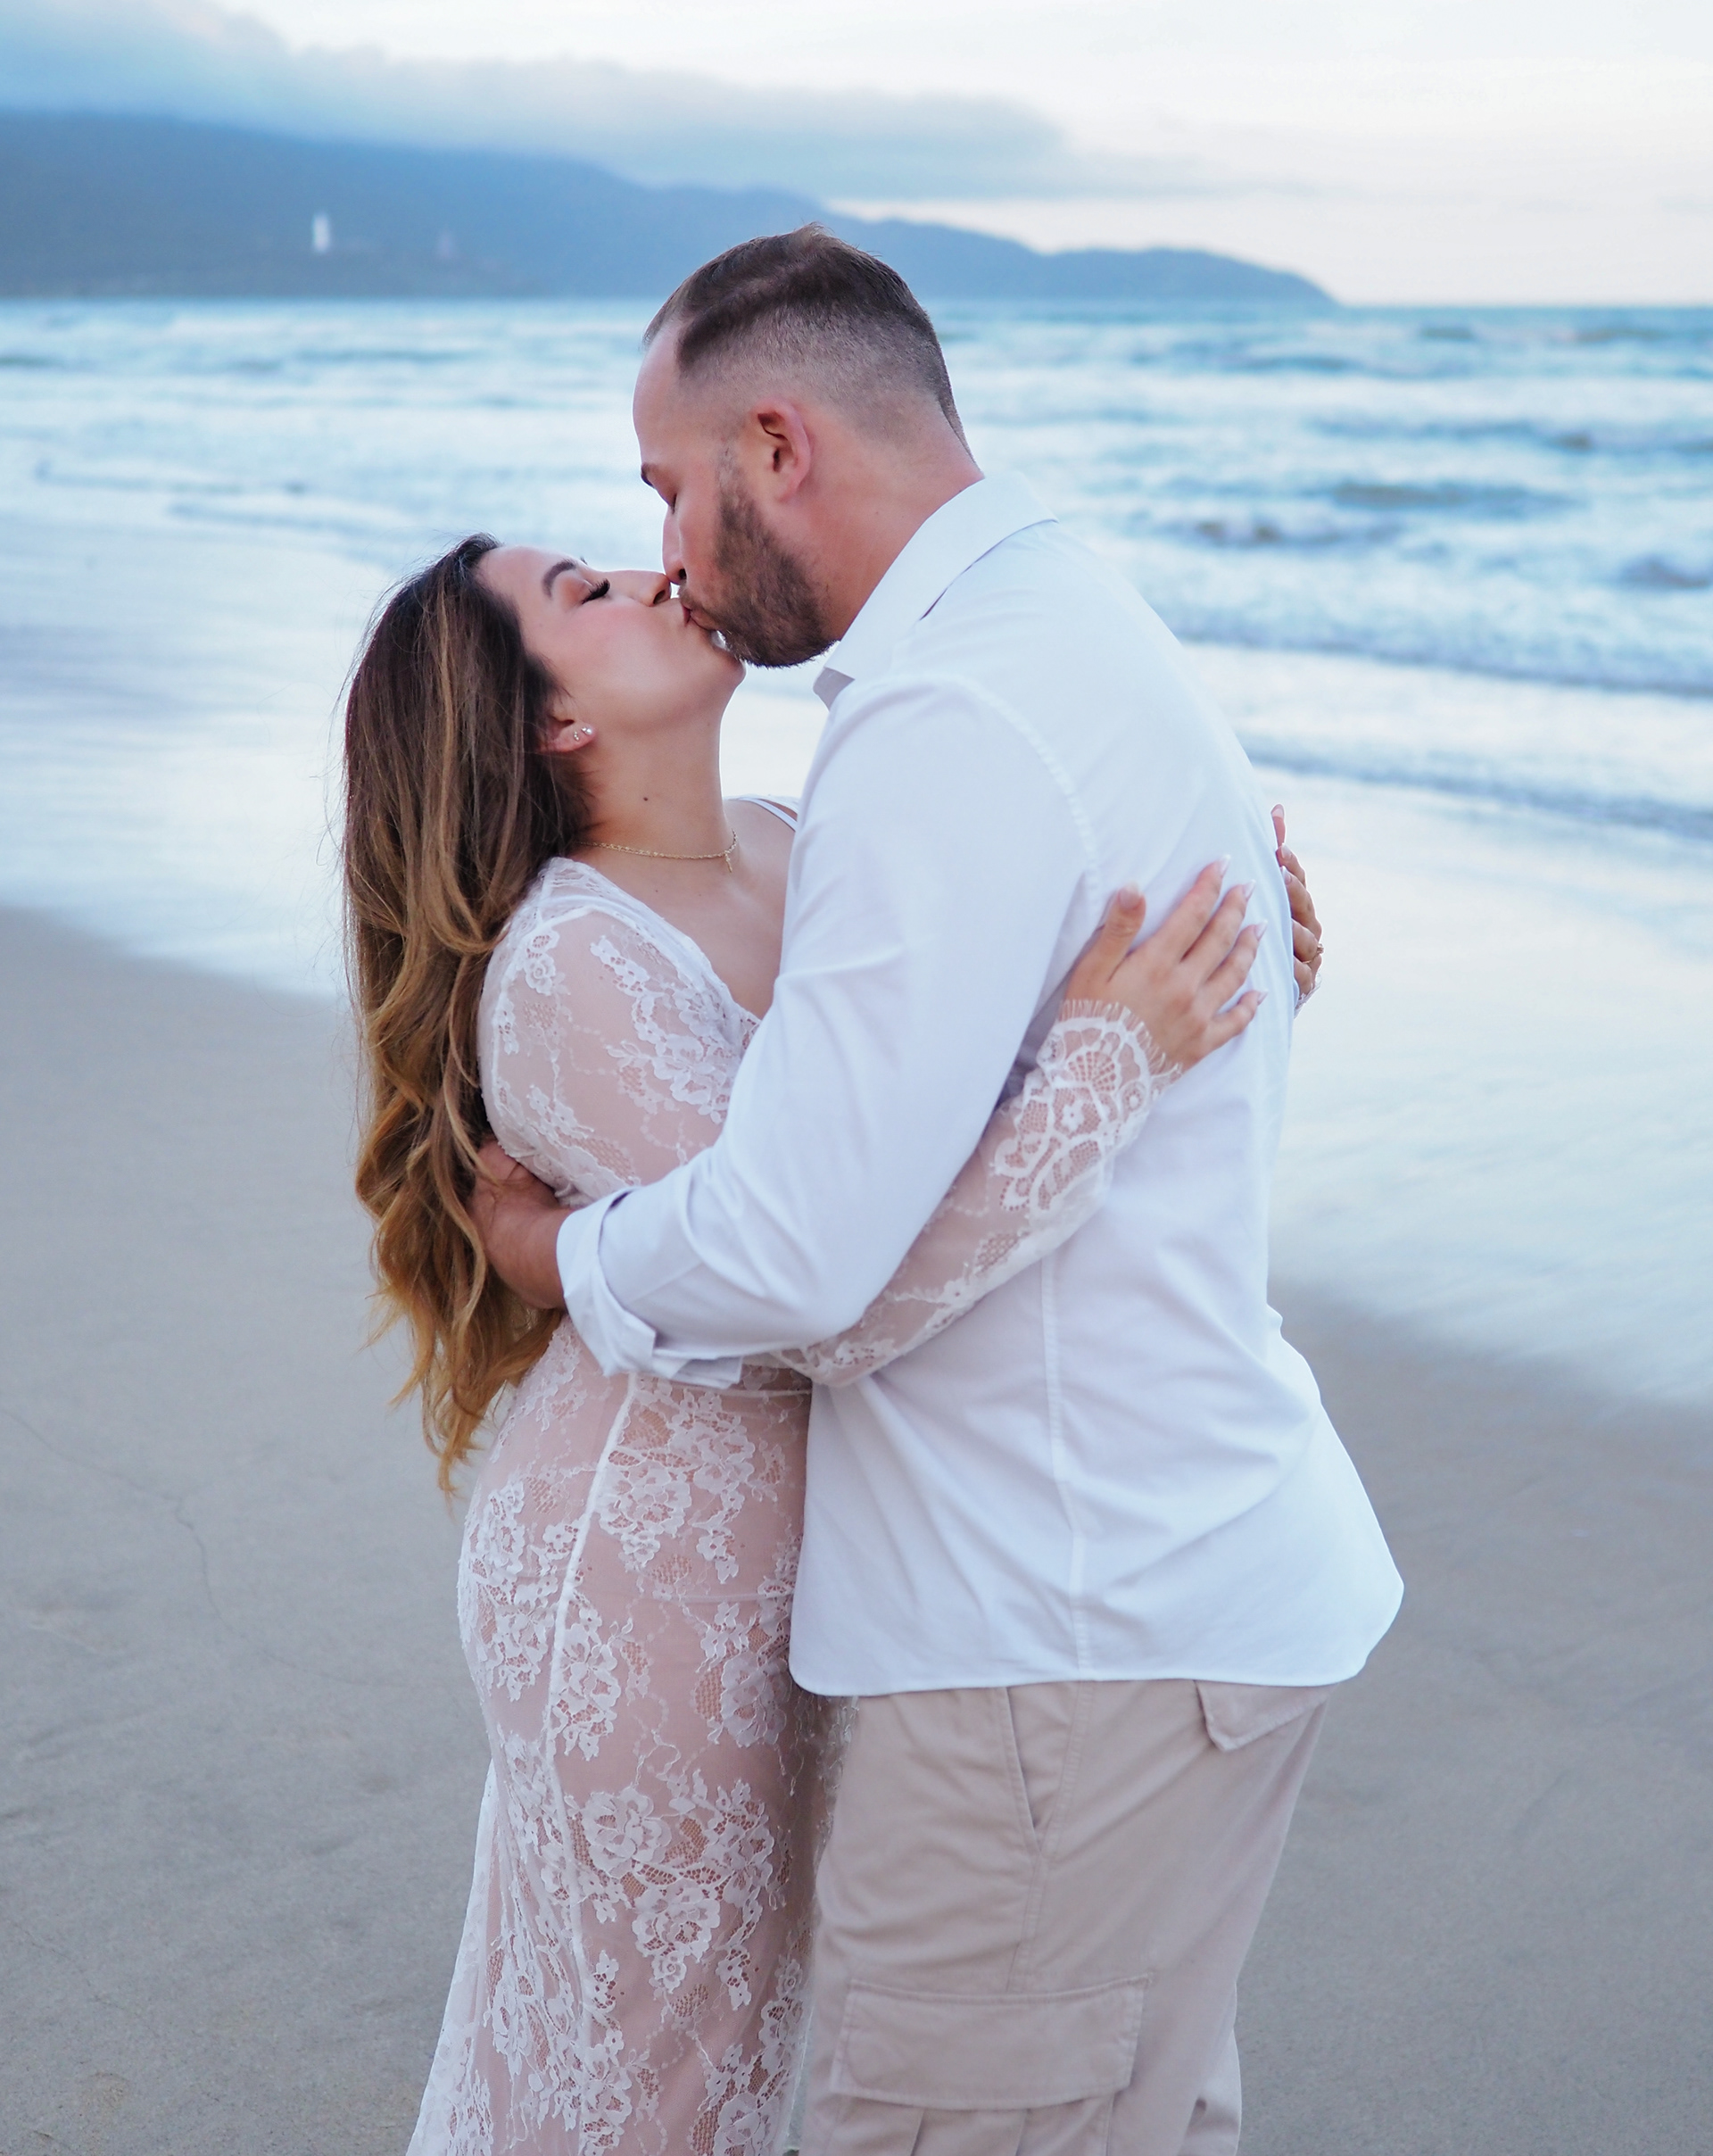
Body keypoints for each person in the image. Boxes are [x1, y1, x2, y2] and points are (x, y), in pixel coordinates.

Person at [474, 227, 1403, 2156]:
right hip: (1141, 1593)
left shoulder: (937, 724)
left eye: (669, 484)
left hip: (1054, 1642)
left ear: (780, 446)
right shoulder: (1061, 627)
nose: (665, 541)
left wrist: (573, 1254)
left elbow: (811, 1263)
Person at [343, 526, 1312, 2156]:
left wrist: (1239, 985)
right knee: (667, 2076)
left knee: (713, 2049)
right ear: (550, 725)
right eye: (585, 594)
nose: (654, 573)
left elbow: (969, 1133)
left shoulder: (809, 844)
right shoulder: (572, 967)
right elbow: (829, 1294)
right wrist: (1114, 1058)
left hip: (816, 1562)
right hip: (647, 1583)